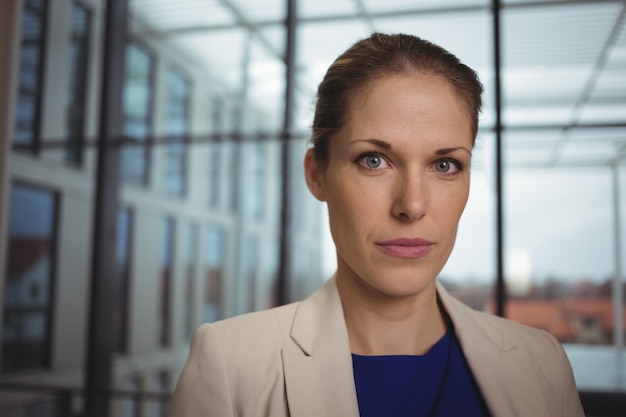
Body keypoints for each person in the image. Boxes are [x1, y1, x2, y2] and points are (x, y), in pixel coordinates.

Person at [167, 32, 584, 417]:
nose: (412, 205)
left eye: (445, 164)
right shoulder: (232, 364)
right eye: (374, 160)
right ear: (317, 174)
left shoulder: (541, 361)